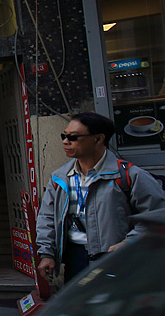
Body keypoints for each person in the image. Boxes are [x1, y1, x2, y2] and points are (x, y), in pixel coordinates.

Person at [35, 112, 165, 283]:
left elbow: (157, 216)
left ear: (98, 139)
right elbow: (47, 218)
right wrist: (47, 253)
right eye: (63, 136)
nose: (65, 141)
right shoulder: (60, 178)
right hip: (75, 260)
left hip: (117, 259)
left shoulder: (129, 175)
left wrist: (130, 242)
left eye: (73, 137)